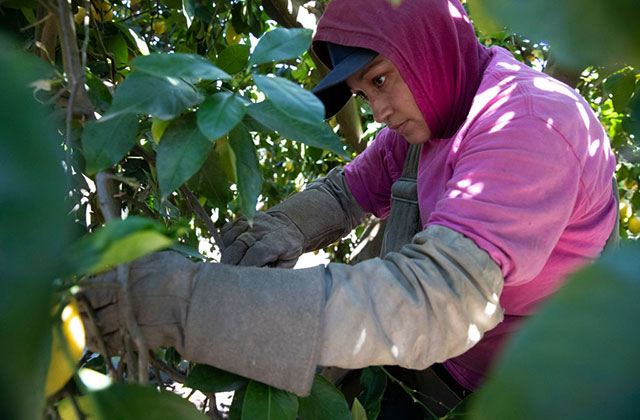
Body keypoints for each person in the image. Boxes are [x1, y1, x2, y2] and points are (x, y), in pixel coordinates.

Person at [83, 0, 618, 416]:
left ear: (428, 47)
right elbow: (347, 191)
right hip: (435, 369)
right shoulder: (427, 116)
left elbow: (439, 300)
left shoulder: (527, 123)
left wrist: (189, 303)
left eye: (381, 79)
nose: (380, 110)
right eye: (364, 95)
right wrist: (283, 226)